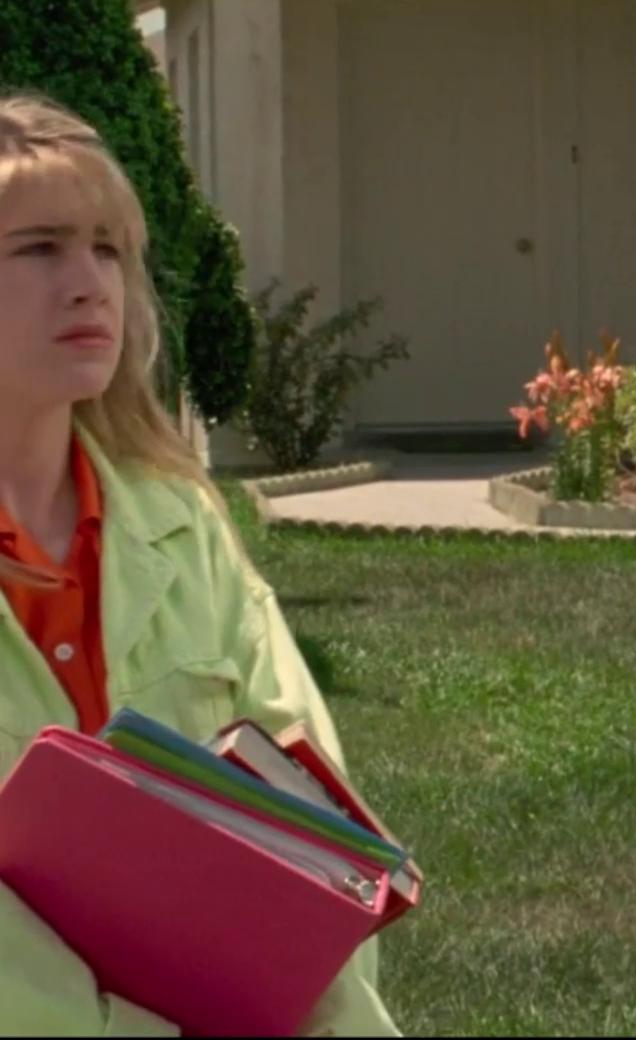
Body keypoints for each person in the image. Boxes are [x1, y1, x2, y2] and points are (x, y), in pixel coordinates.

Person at [0, 93, 400, 1036]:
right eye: (41, 247)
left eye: (109, 249)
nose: (90, 283)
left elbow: (318, 840)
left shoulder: (181, 523)